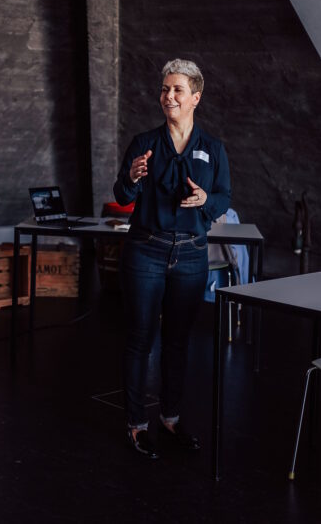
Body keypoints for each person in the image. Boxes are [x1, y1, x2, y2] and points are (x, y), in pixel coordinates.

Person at [113, 58, 231, 459]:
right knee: (140, 340)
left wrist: (205, 201)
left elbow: (223, 198)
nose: (169, 96)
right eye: (165, 89)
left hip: (192, 256)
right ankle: (136, 423)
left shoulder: (213, 149)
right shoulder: (144, 144)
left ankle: (171, 418)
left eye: (178, 89)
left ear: (196, 97)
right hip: (146, 250)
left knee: (178, 342)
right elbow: (123, 196)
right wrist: (130, 178)